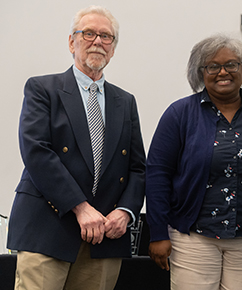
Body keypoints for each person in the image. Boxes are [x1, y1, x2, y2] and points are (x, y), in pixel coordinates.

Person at [7, 5, 146, 290]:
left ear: (114, 48)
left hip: (105, 235)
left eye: (106, 37)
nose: (98, 41)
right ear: (72, 41)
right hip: (47, 229)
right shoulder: (42, 89)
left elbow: (136, 167)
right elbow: (37, 152)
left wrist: (127, 212)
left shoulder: (125, 101)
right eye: (89, 33)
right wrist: (81, 208)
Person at [145, 34, 242, 290]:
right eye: (213, 66)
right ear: (200, 72)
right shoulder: (179, 114)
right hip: (194, 235)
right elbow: (157, 174)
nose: (222, 72)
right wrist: (158, 232)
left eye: (231, 65)